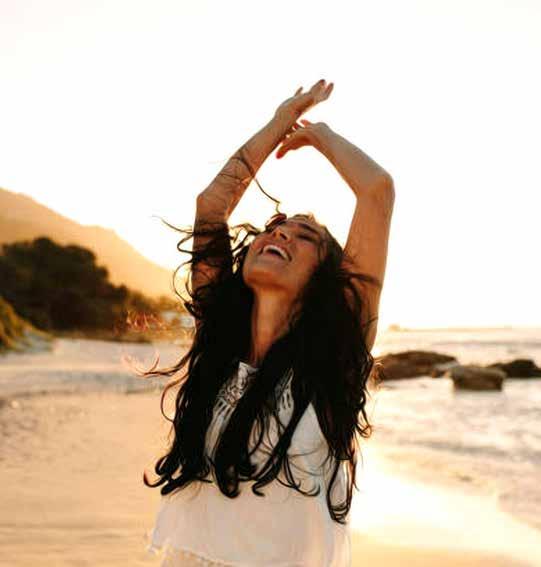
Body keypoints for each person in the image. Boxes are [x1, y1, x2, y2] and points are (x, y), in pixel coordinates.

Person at [142, 79, 395, 566]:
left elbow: (377, 191)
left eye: (304, 237)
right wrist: (278, 123)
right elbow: (211, 206)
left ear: (324, 280)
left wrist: (319, 135)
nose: (280, 235)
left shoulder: (331, 366)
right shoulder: (220, 345)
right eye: (276, 229)